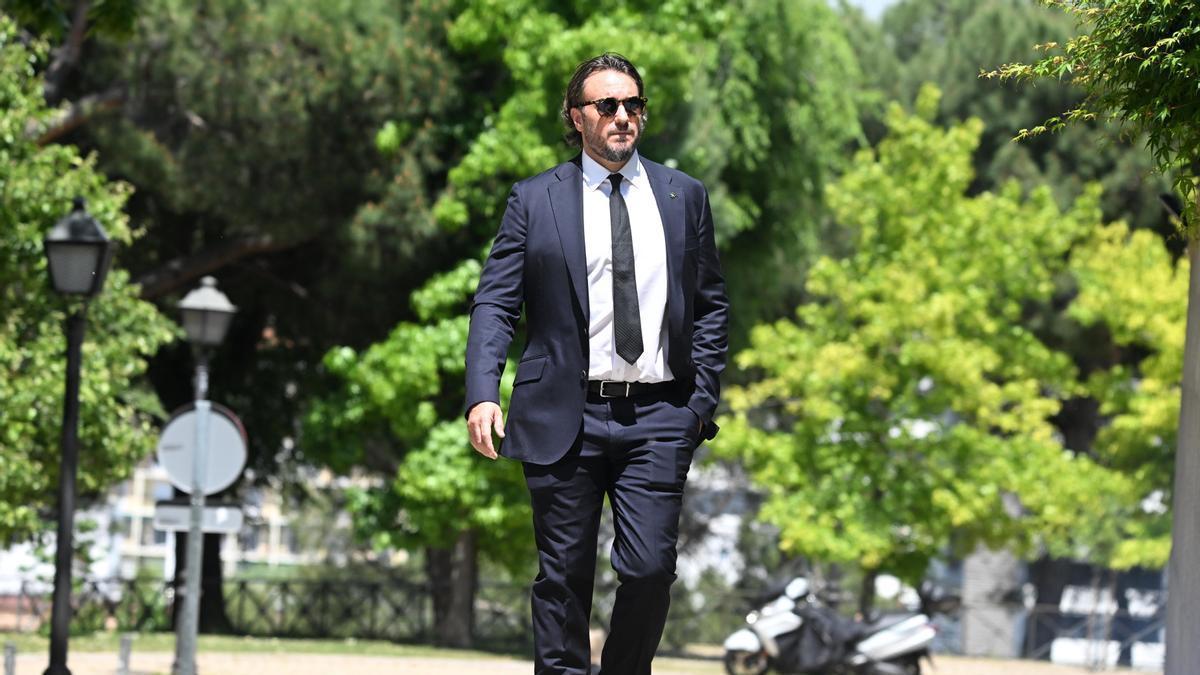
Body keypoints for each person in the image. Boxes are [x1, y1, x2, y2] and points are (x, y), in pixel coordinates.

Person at [465, 52, 729, 675]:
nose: (622, 116)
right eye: (607, 105)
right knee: (562, 579)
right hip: (563, 412)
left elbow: (711, 305)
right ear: (575, 116)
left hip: (660, 416)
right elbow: (496, 303)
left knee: (649, 571)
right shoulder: (534, 199)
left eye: (633, 104)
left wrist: (698, 406)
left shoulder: (683, 196)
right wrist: (483, 391)